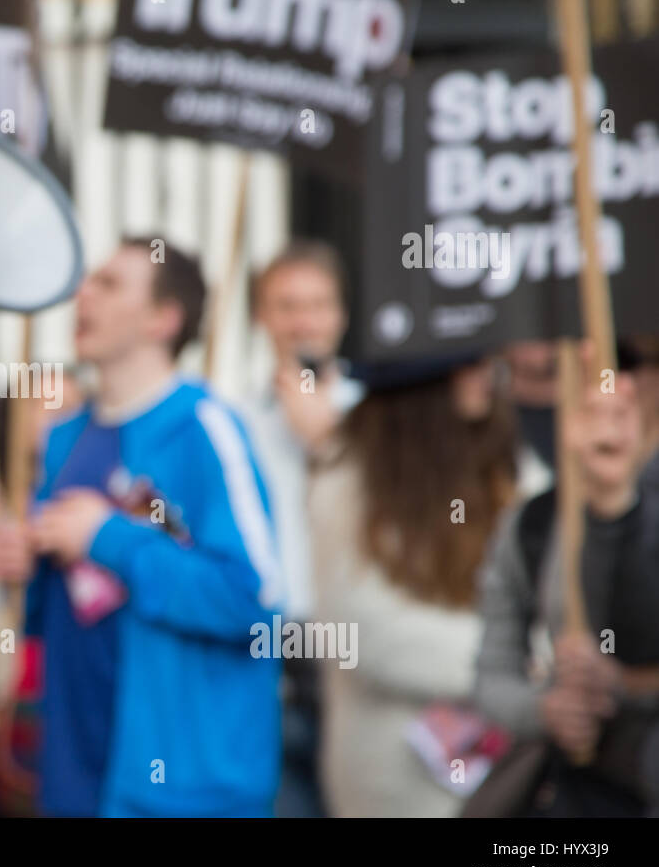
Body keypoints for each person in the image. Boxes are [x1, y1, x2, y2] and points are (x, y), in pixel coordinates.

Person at [0, 238, 282, 817]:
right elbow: (45, 617)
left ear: (163, 320)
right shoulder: (64, 438)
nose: (83, 294)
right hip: (76, 782)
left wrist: (107, 538)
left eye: (110, 283)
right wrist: (21, 569)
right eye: (87, 281)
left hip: (183, 794)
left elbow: (258, 605)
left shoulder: (206, 426)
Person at [311, 354, 517, 817]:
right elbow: (365, 631)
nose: (487, 374)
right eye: (468, 361)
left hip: (503, 770)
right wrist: (511, 663)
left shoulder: (504, 469)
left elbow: (544, 590)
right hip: (396, 776)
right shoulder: (350, 479)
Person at [474, 342, 659, 815]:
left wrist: (625, 683)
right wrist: (544, 709)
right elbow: (493, 670)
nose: (619, 385)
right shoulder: (534, 522)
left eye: (632, 365)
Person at [234, 240, 362, 818]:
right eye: (286, 304)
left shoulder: (383, 416)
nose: (303, 320)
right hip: (271, 654)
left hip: (360, 653)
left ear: (341, 314)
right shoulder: (233, 417)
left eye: (317, 303)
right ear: (261, 316)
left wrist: (329, 441)